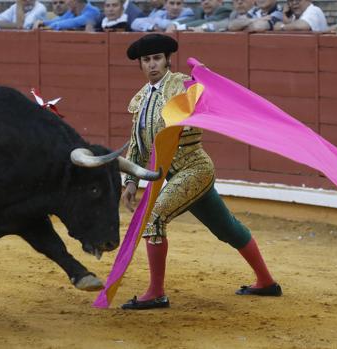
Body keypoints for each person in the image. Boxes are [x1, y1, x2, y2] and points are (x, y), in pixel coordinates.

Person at [120, 34, 282, 310]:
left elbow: (210, 97)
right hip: (176, 175)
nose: (152, 65)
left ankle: (156, 293)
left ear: (167, 60)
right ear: (140, 65)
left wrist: (206, 81)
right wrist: (131, 181)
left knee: (154, 218)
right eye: (146, 60)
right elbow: (137, 146)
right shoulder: (140, 99)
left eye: (157, 58)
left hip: (196, 168)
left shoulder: (184, 85)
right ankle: (266, 282)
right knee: (226, 228)